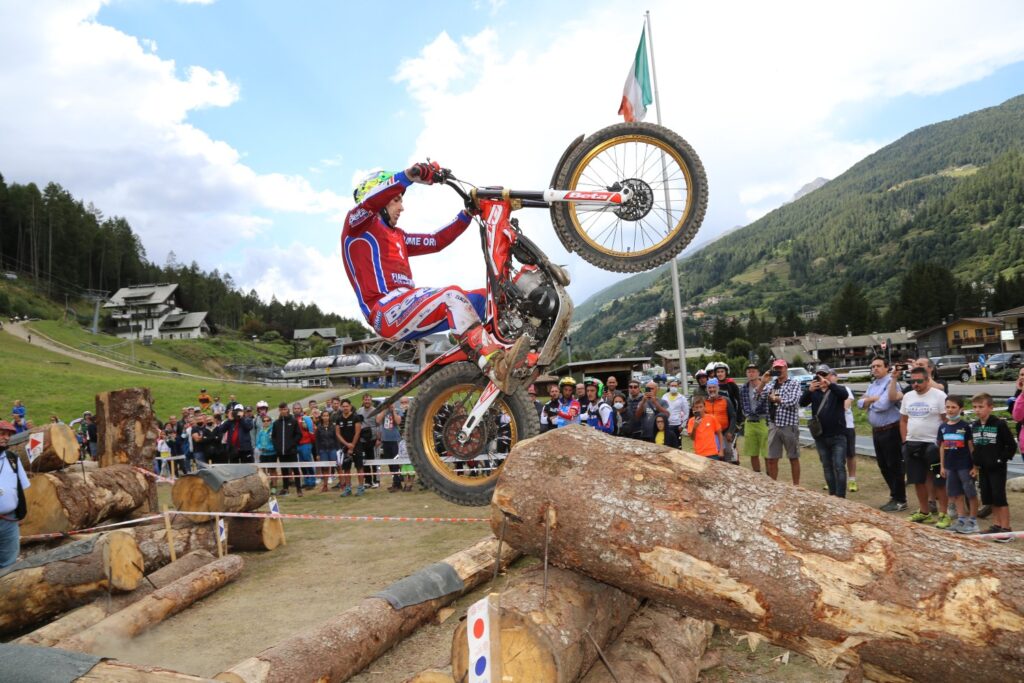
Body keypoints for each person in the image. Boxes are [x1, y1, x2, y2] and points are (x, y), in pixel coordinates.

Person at [342, 163, 530, 393]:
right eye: (396, 200)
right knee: (451, 296)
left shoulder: (398, 236)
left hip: (406, 303)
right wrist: (409, 176)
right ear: (380, 198)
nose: (402, 207)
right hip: (384, 311)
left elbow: (436, 240)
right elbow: (370, 203)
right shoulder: (356, 227)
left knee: (486, 299)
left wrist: (467, 214)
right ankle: (492, 364)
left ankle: (516, 348)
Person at [900, 367, 948, 525]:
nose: (915, 384)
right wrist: (904, 441)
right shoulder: (907, 396)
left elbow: (946, 420)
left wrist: (944, 443)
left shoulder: (939, 396)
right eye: (912, 381)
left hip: (933, 444)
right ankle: (924, 511)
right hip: (912, 443)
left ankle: (943, 514)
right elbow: (903, 420)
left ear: (928, 380)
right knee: (917, 480)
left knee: (938, 481)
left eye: (919, 381)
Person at [858, 357, 906, 511]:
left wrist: (869, 402)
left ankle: (900, 499)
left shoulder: (891, 383)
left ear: (887, 368)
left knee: (894, 465)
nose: (875, 369)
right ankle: (894, 495)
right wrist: (872, 399)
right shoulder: (872, 385)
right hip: (877, 431)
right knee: (883, 465)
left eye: (878, 366)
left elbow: (883, 405)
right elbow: (859, 403)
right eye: (873, 366)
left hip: (891, 429)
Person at [799, 367, 850, 498]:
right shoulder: (814, 392)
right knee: (827, 466)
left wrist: (830, 384)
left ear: (830, 376)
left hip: (838, 435)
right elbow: (802, 403)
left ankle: (841, 497)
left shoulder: (836, 389)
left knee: (839, 465)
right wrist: (809, 390)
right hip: (820, 436)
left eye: (824, 375)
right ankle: (832, 495)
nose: (821, 378)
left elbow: (844, 395)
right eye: (819, 375)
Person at [971, 392, 1016, 537]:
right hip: (983, 468)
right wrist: (976, 464)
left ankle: (1006, 528)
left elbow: (1010, 445)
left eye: (981, 407)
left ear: (990, 407)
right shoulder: (975, 425)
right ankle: (997, 525)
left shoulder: (999, 424)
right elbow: (976, 447)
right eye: (975, 407)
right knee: (989, 498)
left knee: (999, 497)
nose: (977, 410)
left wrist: (1001, 459)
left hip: (997, 468)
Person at [757, 359, 802, 485]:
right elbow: (757, 397)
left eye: (781, 368)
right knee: (772, 458)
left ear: (786, 368)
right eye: (776, 368)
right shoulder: (770, 384)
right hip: (774, 424)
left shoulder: (794, 383)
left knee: (793, 457)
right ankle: (773, 486)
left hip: (789, 425)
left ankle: (796, 485)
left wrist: (777, 399)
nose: (778, 370)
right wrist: (763, 382)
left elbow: (793, 402)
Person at [937, 395, 977, 533]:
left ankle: (973, 521)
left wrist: (974, 466)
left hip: (964, 466)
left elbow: (971, 447)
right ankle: (961, 520)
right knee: (956, 494)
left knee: (970, 493)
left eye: (954, 407)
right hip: (950, 466)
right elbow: (942, 447)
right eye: (947, 407)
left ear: (961, 409)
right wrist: (942, 466)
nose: (950, 410)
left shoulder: (965, 426)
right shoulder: (942, 427)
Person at [0, 420, 31, 568]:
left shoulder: (12, 458)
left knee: (9, 562)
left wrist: (21, 513)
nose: (5, 437)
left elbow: (22, 488)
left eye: (8, 435)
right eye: (2, 434)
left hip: (9, 521)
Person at [739, 363, 769, 473]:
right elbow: (742, 404)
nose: (751, 373)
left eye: (753, 371)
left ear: (758, 373)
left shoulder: (766, 386)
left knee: (767, 452)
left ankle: (770, 477)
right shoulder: (743, 388)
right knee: (753, 452)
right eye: (749, 371)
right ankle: (757, 475)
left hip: (763, 420)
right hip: (750, 421)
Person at [270, 402, 303, 497]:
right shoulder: (276, 423)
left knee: (295, 470)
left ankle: (299, 489)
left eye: (285, 409)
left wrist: (292, 444)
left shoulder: (293, 421)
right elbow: (274, 437)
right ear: (279, 411)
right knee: (284, 470)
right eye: (281, 410)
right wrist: (278, 447)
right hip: (281, 452)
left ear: (287, 410)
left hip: (291, 451)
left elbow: (298, 435)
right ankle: (285, 488)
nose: (283, 411)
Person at [334, 399, 365, 496]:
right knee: (346, 468)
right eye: (343, 406)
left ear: (350, 406)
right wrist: (347, 445)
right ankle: (348, 488)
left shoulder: (356, 417)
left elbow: (358, 432)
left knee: (359, 467)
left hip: (356, 446)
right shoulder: (339, 419)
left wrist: (352, 446)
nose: (345, 408)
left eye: (347, 406)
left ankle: (361, 487)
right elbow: (338, 434)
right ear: (341, 407)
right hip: (345, 447)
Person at [704, 379, 737, 462]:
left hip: (724, 432)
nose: (712, 390)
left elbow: (733, 416)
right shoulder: (704, 402)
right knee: (712, 456)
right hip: (710, 434)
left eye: (714, 387)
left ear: (718, 388)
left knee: (727, 454)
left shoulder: (726, 400)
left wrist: (730, 432)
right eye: (709, 388)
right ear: (707, 389)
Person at [376, 401, 403, 492]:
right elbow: (378, 420)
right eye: (387, 404)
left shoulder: (397, 411)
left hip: (395, 440)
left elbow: (398, 421)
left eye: (390, 404)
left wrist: (393, 411)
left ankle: (397, 483)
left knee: (395, 462)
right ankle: (395, 482)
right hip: (385, 440)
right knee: (390, 463)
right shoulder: (383, 412)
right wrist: (384, 410)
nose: (389, 406)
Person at [356, 394, 378, 488]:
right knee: (365, 461)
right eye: (365, 399)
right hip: (362, 439)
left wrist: (378, 439)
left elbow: (378, 425)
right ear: (363, 400)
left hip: (373, 438)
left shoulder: (375, 411)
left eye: (369, 399)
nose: (367, 401)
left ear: (371, 401)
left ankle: (376, 480)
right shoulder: (359, 411)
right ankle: (368, 480)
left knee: (373, 460)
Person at [293, 402, 317, 488]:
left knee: (308, 461)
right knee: (302, 464)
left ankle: (312, 481)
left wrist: (312, 442)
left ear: (301, 409)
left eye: (298, 408)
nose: (296, 410)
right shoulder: (292, 419)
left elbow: (311, 431)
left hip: (306, 443)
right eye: (295, 409)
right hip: (297, 444)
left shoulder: (306, 418)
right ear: (293, 410)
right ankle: (306, 481)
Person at [314, 411, 338, 493]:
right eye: (324, 416)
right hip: (323, 450)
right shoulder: (318, 427)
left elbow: (336, 439)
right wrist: (317, 453)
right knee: (325, 468)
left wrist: (338, 450)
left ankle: (342, 484)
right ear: (321, 417)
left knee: (338, 466)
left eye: (327, 415)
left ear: (329, 417)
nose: (325, 417)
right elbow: (317, 441)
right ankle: (325, 485)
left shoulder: (333, 427)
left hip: (333, 449)